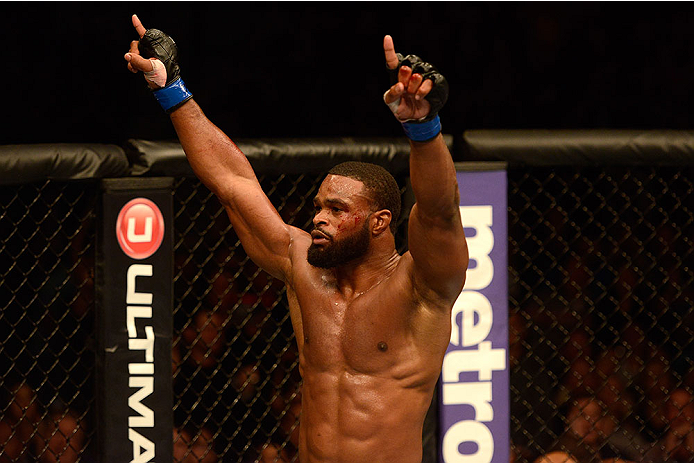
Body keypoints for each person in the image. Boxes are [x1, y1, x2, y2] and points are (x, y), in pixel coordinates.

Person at [124, 14, 468, 462]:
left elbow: (440, 213)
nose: (319, 219)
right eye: (319, 206)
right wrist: (171, 90)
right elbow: (233, 181)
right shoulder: (301, 264)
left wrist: (423, 128)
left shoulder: (421, 286)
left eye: (338, 210)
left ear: (379, 222)